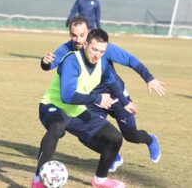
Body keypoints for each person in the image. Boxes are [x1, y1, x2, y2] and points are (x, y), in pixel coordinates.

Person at [41, 16, 166, 172]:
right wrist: (45, 62)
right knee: (87, 134)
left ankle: (150, 140)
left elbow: (130, 60)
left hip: (116, 95)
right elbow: (51, 62)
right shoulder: (67, 48)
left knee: (131, 136)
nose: (78, 39)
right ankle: (111, 155)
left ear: (89, 33)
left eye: (82, 34)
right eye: (74, 35)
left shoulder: (102, 47)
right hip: (92, 99)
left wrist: (149, 79)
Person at [32, 29, 136, 188]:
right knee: (57, 126)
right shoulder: (71, 61)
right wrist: (97, 98)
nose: (97, 54)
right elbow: (67, 96)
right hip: (52, 106)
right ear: (85, 44)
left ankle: (100, 179)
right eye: (94, 49)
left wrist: (125, 102)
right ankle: (38, 180)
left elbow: (113, 83)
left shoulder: (102, 64)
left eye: (102, 51)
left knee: (115, 138)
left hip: (76, 110)